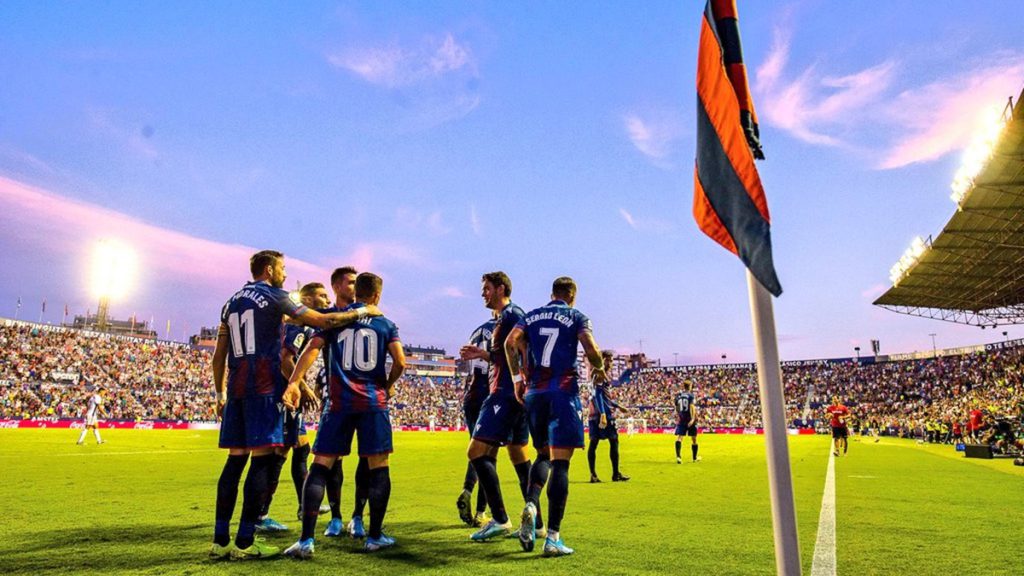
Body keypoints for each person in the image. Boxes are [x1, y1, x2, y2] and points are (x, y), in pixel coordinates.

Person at [209, 250, 380, 560]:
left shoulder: (230, 302)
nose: (285, 274)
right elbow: (324, 320)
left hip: (235, 389)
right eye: (282, 268)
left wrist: (219, 395)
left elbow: (218, 355)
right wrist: (361, 312)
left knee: (235, 463)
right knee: (262, 461)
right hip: (263, 388)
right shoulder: (274, 296)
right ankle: (245, 542)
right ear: (269, 269)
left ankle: (220, 540)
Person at [283, 272, 406, 558]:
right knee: (378, 467)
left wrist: (293, 382)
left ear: (357, 292)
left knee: (320, 466)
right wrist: (386, 386)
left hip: (338, 401)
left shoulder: (335, 319)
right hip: (372, 403)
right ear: (376, 296)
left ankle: (305, 541)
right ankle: (374, 536)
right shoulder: (386, 324)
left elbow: (312, 350)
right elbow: (400, 361)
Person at [506, 276, 607, 556]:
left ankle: (530, 503)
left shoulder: (531, 316)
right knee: (560, 465)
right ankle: (552, 538)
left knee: (542, 455)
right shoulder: (576, 316)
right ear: (572, 296)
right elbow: (590, 348)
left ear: (552, 294)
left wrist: (517, 379)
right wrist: (599, 367)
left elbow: (510, 342)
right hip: (563, 392)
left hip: (535, 394)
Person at [463, 272, 541, 542]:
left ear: (500, 288)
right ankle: (539, 523)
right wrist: (484, 354)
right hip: (516, 395)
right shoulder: (512, 315)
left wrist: (516, 380)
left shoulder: (510, 316)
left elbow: (516, 351)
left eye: (486, 288)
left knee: (476, 452)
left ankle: (499, 519)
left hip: (504, 394)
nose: (483, 293)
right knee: (519, 455)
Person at [254, 282, 333, 534]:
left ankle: (303, 504)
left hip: (286, 397)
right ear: (306, 301)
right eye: (321, 296)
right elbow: (285, 360)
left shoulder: (294, 328)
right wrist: (302, 386)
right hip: (285, 398)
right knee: (279, 454)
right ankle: (261, 514)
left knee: (300, 448)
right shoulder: (295, 329)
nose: (325, 299)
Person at [455, 312, 497, 527]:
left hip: (470, 395)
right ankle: (481, 512)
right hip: (489, 393)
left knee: (476, 451)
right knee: (488, 456)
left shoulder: (476, 331)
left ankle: (467, 490)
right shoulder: (503, 328)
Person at [587, 350, 629, 483]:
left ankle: (594, 475)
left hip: (594, 413)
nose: (611, 363)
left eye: (611, 360)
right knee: (613, 441)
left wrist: (617, 406)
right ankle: (615, 474)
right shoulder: (599, 373)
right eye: (608, 360)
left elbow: (604, 396)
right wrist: (604, 414)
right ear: (601, 359)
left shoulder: (595, 373)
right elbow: (597, 395)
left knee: (594, 443)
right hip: (603, 414)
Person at [674, 380, 700, 463]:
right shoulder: (691, 396)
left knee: (680, 438)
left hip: (682, 418)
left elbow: (677, 407)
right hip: (689, 418)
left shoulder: (679, 396)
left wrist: (679, 415)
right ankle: (694, 458)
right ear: (690, 386)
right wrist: (692, 419)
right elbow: (692, 407)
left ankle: (678, 457)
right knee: (694, 439)